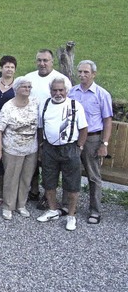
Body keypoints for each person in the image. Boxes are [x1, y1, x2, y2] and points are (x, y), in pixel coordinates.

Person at [36, 77, 87, 231]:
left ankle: (71, 215)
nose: (58, 93)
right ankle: (52, 209)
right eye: (55, 90)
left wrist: (79, 146)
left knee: (72, 183)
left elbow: (84, 128)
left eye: (61, 90)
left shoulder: (74, 105)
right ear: (50, 91)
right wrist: (42, 145)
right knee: (48, 180)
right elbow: (40, 127)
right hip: (50, 149)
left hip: (69, 148)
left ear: (66, 91)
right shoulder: (44, 105)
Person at [67, 60, 113, 224]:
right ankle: (70, 206)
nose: (82, 75)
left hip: (93, 139)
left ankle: (95, 210)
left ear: (93, 74)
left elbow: (107, 121)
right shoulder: (72, 92)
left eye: (86, 72)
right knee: (72, 172)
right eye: (80, 72)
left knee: (93, 176)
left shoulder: (102, 94)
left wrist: (104, 144)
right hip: (74, 137)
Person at [25, 49, 71, 204]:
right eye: (39, 60)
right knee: (32, 160)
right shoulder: (29, 78)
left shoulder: (61, 79)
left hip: (51, 130)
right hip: (31, 127)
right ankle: (33, 190)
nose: (42, 64)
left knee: (48, 164)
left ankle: (48, 195)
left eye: (45, 60)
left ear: (52, 62)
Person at [0, 77, 38, 220]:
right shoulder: (8, 107)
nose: (27, 89)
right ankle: (8, 206)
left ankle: (21, 205)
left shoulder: (35, 103)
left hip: (31, 148)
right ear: (16, 89)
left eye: (29, 87)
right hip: (12, 148)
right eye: (24, 86)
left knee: (26, 177)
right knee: (11, 178)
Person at [0, 55, 18, 205]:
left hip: (11, 129)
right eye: (6, 66)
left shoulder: (17, 86)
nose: (9, 69)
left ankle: (10, 193)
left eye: (12, 67)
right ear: (1, 68)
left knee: (11, 160)